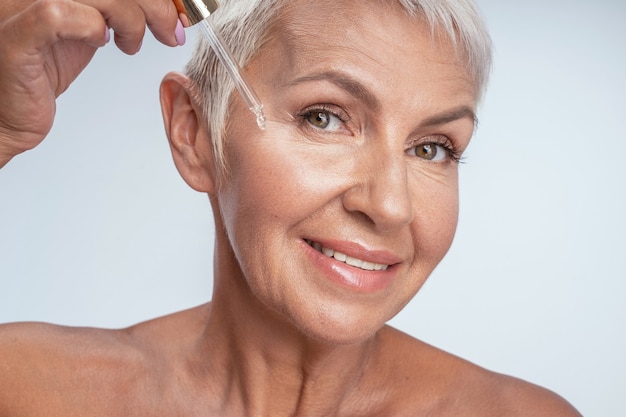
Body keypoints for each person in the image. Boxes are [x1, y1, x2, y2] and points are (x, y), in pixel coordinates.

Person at [0, 0, 582, 415]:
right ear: (194, 132)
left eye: (433, 149)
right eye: (324, 117)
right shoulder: (26, 391)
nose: (389, 205)